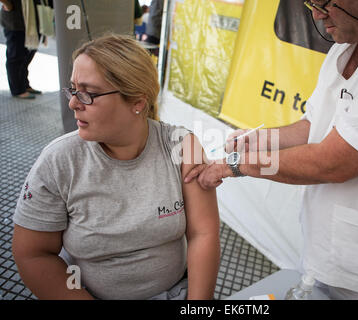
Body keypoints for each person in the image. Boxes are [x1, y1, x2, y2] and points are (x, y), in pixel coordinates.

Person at [185, 0, 358, 299]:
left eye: (324, 1)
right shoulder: (349, 37)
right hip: (327, 251)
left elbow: (335, 162)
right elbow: (317, 123)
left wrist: (234, 165)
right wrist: (262, 140)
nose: (316, 14)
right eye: (309, 2)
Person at [12, 34, 220, 300]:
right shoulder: (59, 162)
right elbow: (33, 254)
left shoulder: (182, 146)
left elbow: (203, 233)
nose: (73, 103)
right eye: (73, 89)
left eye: (88, 94)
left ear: (137, 102)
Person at [0, 0, 41, 99]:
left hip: (32, 17)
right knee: (16, 54)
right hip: (16, 17)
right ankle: (17, 89)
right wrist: (8, 5)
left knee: (27, 54)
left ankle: (24, 84)